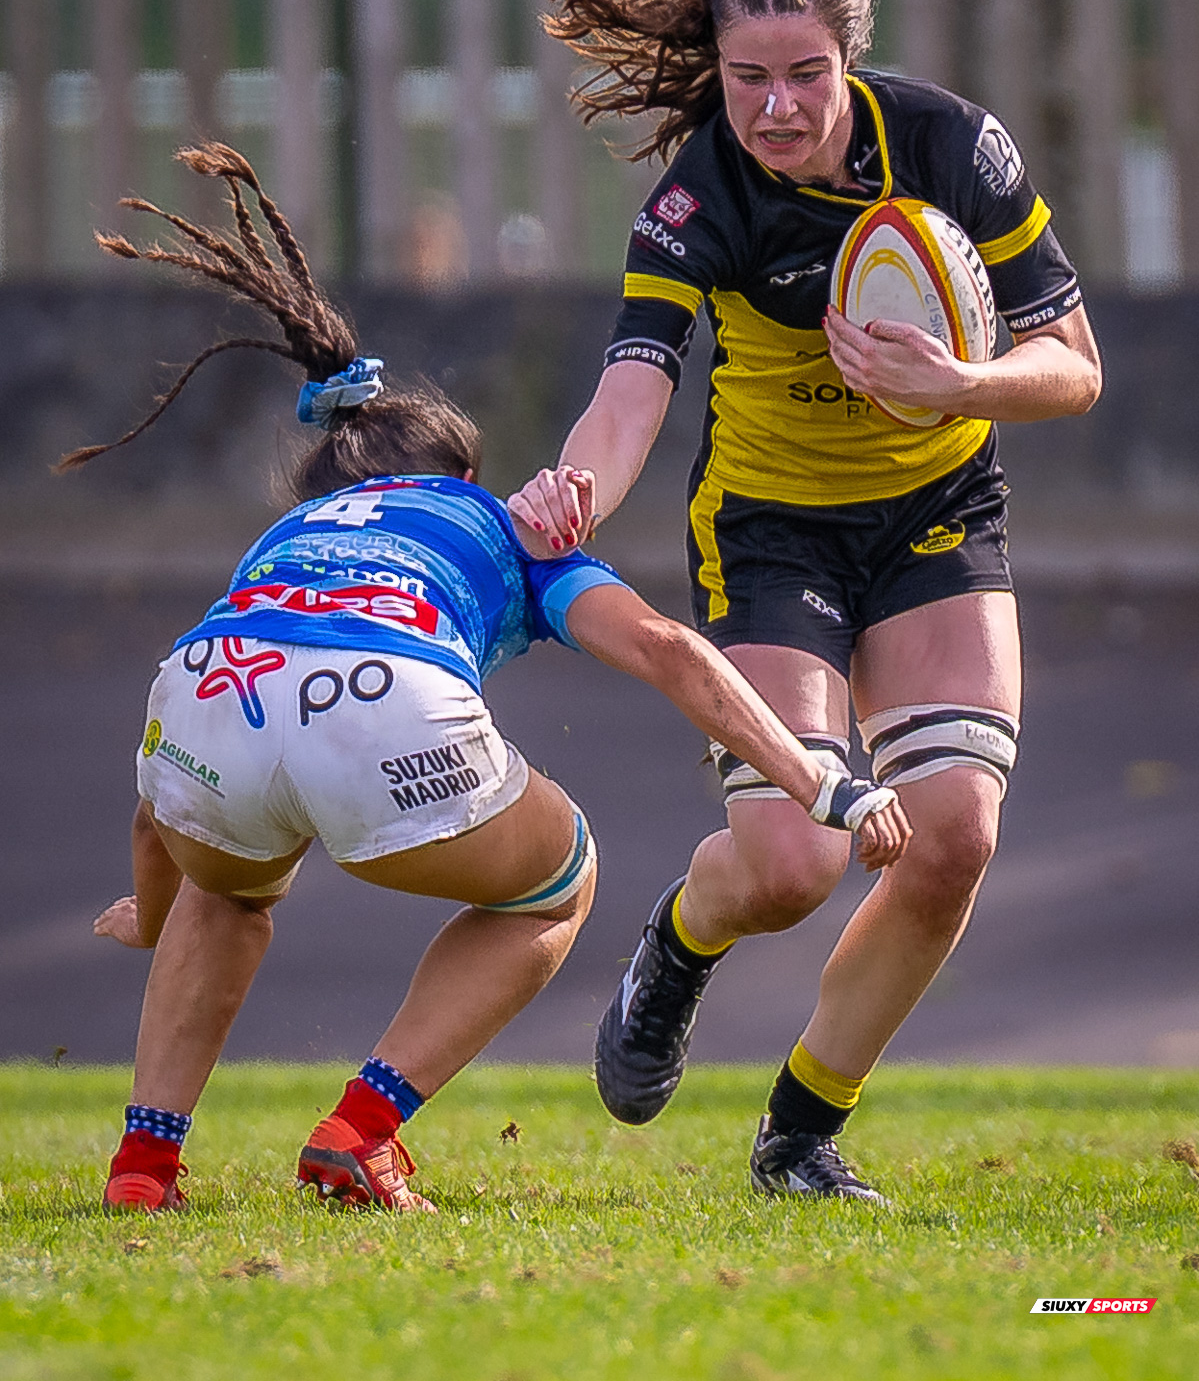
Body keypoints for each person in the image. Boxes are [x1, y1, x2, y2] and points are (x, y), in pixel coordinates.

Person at [79, 141, 909, 1215]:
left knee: (223, 891)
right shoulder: (500, 520)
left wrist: (148, 912)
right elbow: (662, 647)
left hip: (206, 687)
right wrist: (814, 778)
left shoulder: (282, 539)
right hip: (383, 704)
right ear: (458, 472)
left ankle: (144, 1167)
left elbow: (159, 815)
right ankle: (360, 1130)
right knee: (554, 884)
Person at [508, 0, 1102, 1203]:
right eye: (746, 78)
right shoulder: (696, 200)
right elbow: (630, 394)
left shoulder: (952, 145)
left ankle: (797, 1137)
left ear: (850, 61)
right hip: (770, 532)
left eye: (804, 74)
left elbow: (1074, 367)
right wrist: (575, 491)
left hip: (937, 511)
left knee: (950, 836)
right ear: (714, 74)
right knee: (789, 864)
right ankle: (678, 941)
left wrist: (961, 381)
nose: (775, 107)